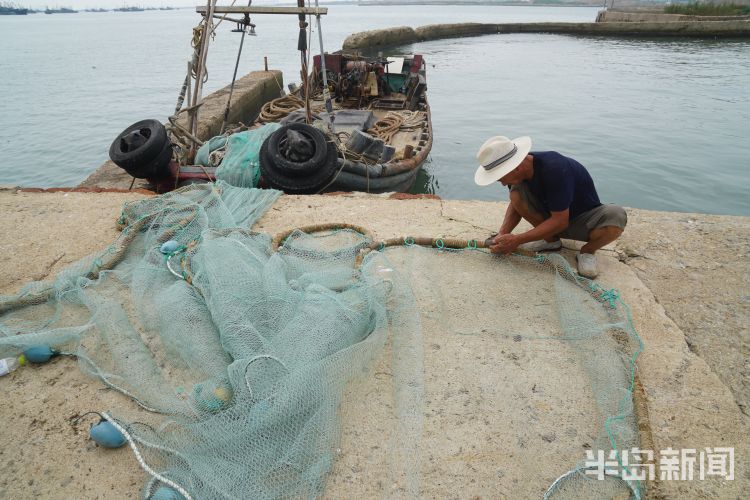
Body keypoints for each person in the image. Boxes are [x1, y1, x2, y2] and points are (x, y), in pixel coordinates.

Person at [474, 135, 627, 278]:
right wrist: (503, 234)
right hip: (550, 219)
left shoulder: (555, 168)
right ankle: (551, 241)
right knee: (516, 193)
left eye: (501, 178)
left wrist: (517, 240)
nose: (502, 183)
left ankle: (587, 251)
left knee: (616, 215)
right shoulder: (518, 174)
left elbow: (561, 221)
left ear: (516, 168)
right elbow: (515, 204)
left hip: (581, 220)